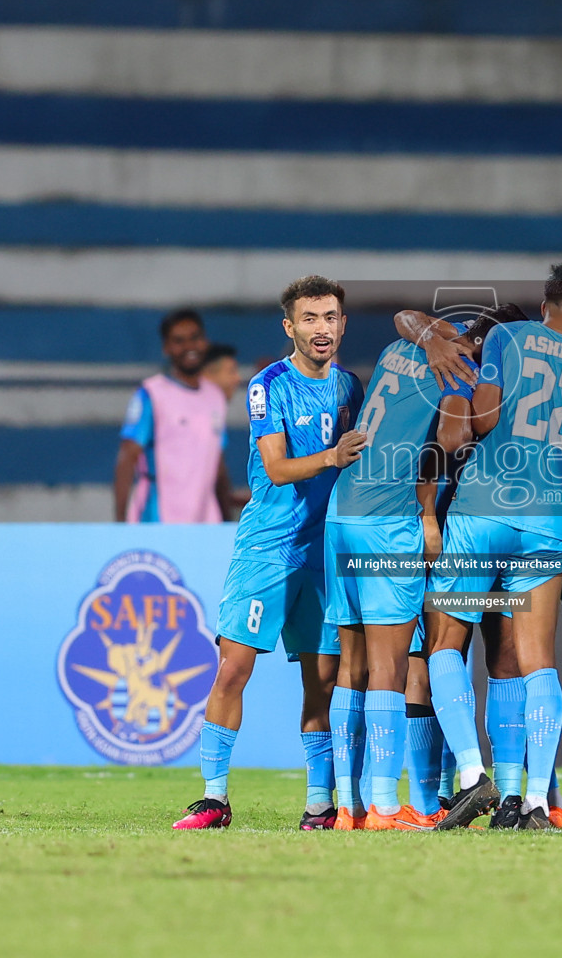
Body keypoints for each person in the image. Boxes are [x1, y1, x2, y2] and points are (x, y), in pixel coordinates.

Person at [172, 277, 365, 831]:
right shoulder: (268, 385)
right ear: (290, 327)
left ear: (342, 324)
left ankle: (320, 805)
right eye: (309, 318)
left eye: (329, 317)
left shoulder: (352, 388)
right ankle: (213, 799)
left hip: (325, 551)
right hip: (269, 547)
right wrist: (332, 457)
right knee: (233, 669)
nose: (321, 328)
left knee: (322, 681)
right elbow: (277, 469)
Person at [428, 262, 562, 830]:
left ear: (548, 304)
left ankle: (470, 775)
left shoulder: (508, 338)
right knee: (536, 661)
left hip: (482, 508)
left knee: (445, 642)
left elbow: (482, 421)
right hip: (546, 521)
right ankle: (531, 798)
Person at [324, 313, 490, 831]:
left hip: (342, 510)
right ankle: (383, 807)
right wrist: (426, 515)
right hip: (385, 522)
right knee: (390, 669)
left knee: (351, 666)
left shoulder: (409, 344)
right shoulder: (460, 368)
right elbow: (445, 442)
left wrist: (428, 334)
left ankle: (348, 808)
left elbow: (404, 316)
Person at [114, 310, 232, 524]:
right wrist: (120, 525)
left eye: (194, 338)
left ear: (204, 341)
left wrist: (226, 521)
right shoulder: (152, 394)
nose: (189, 346)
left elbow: (219, 465)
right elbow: (127, 459)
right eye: (179, 341)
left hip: (206, 524)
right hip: (158, 521)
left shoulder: (215, 397)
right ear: (166, 348)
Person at [202, 343, 250, 520]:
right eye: (231, 371)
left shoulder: (215, 409)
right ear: (207, 375)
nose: (237, 379)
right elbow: (219, 472)